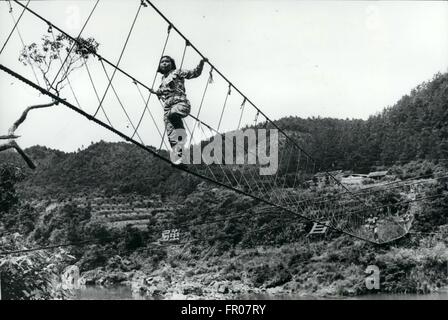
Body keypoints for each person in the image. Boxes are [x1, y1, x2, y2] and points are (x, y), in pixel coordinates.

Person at [149, 55, 208, 164]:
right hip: (168, 107)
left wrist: (201, 63)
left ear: (172, 64)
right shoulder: (162, 80)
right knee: (171, 133)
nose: (165, 63)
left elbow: (194, 73)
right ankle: (179, 159)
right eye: (162, 62)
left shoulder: (178, 72)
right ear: (160, 66)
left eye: (167, 61)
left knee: (173, 115)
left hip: (180, 102)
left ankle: (182, 134)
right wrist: (156, 92)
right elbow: (162, 91)